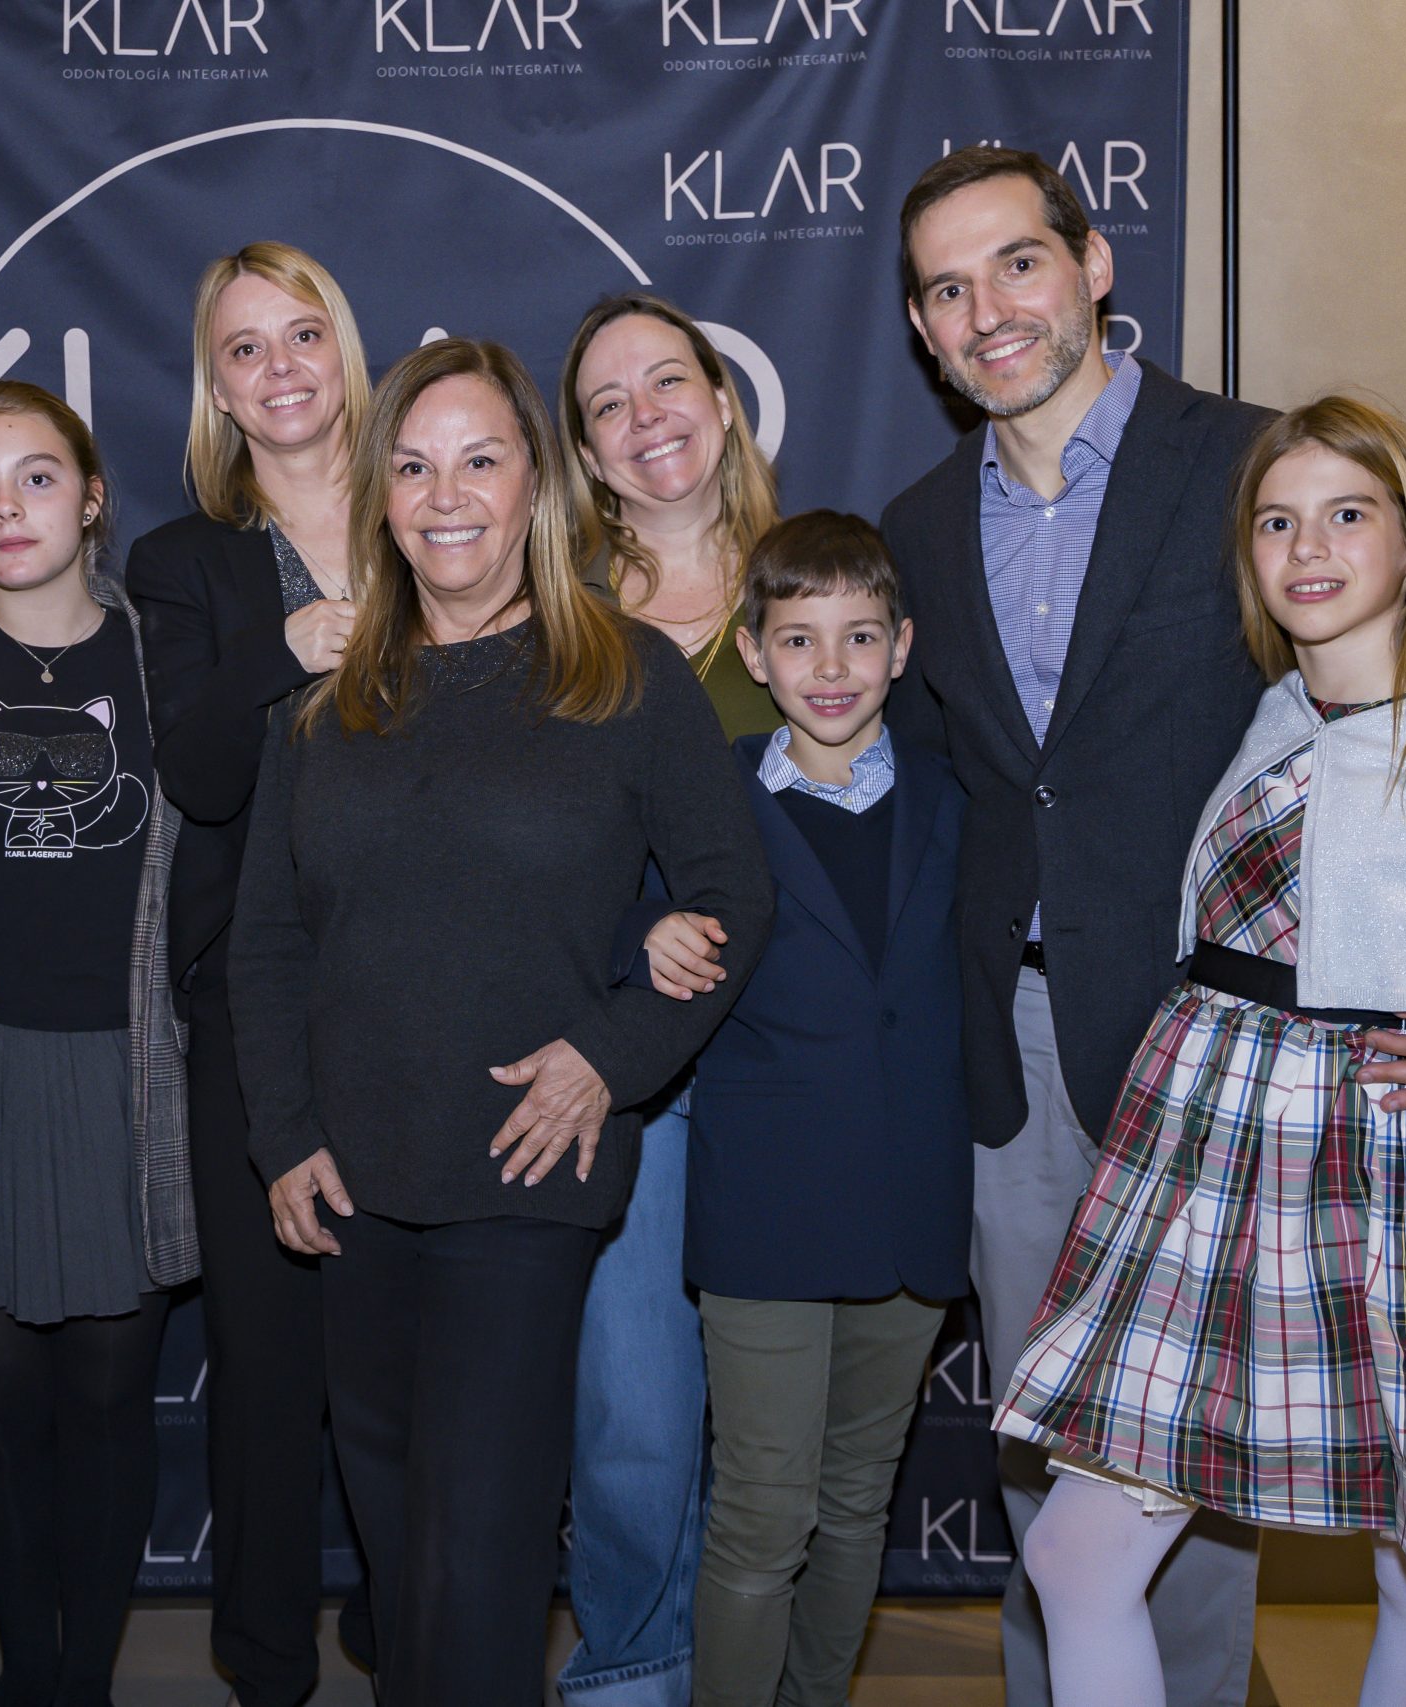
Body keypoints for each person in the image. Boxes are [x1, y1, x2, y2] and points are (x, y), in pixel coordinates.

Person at [876, 147, 1406, 1707]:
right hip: (1020, 1038)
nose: (988, 309)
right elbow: (956, 787)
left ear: (1094, 264)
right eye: (948, 289)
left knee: (1208, 1442)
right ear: (923, 330)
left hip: (1243, 1043)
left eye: (1017, 262)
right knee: (1053, 1443)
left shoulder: (1249, 466)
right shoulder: (917, 523)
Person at [992, 396, 1406, 1707]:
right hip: (1210, 1161)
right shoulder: (1271, 708)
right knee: (1076, 1554)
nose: (1307, 546)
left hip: (1393, 1171)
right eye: (1276, 521)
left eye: (1346, 514)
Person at [229, 336, 774, 1706]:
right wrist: (284, 1136)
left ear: (536, 479)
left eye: (479, 459)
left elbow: (731, 896)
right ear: (381, 494)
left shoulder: (624, 673)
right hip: (354, 1185)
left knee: (476, 1564)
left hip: (528, 1176)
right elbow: (269, 940)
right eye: (414, 467)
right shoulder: (325, 705)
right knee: (405, 1559)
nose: (446, 495)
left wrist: (611, 1056)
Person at [621, 511, 968, 1707]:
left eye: (859, 637)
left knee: (856, 1500)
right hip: (766, 1207)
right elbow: (601, 904)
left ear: (901, 646)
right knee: (763, 1514)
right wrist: (643, 930)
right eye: (798, 639)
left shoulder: (951, 795)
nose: (830, 667)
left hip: (912, 1200)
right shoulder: (709, 794)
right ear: (752, 655)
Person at [0, 380, 196, 1707]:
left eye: (36, 477)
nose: (6, 507)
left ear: (90, 498)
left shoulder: (168, 654)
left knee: (106, 1408)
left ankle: (82, 1682)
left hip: (130, 1076)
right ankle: (28, 1673)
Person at [122, 242, 375, 1707]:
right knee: (267, 1360)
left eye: (302, 335)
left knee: (410, 1354)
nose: (280, 369)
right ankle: (265, 1660)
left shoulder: (435, 508)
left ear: (344, 350)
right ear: (215, 389)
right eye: (244, 349)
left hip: (427, 995)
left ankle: (411, 1633)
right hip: (252, 1001)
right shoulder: (185, 562)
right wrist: (282, 644)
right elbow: (201, 777)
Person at [553, 292, 784, 1707]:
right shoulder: (556, 616)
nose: (646, 418)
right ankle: (633, 1677)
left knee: (777, 1433)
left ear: (721, 398)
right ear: (585, 453)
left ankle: (762, 1678)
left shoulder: (823, 584)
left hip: (792, 1066)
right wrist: (634, 932)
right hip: (633, 1069)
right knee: (635, 1416)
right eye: (608, 404)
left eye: (667, 382)